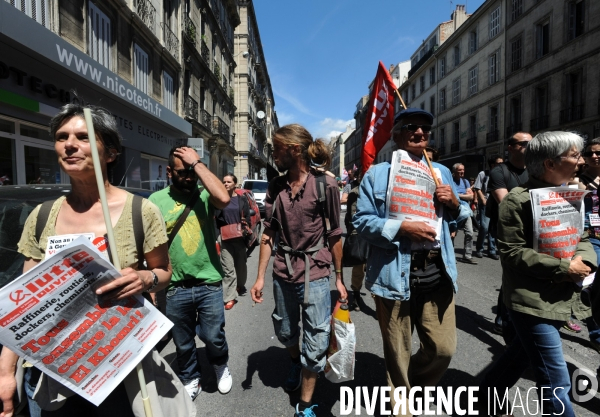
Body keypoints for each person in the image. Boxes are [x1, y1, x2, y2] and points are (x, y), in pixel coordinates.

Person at [0, 103, 196, 416]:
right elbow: (24, 311)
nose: (70, 144)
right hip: (57, 373)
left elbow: (163, 271)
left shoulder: (140, 211)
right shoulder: (41, 216)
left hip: (122, 370)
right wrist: (6, 373)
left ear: (111, 153)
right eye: (62, 136)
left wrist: (145, 279)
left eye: (83, 136)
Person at [353, 108, 468, 416]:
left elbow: (463, 214)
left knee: (443, 350)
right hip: (393, 278)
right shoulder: (377, 175)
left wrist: (455, 204)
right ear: (396, 135)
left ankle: (412, 385)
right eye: (412, 128)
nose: (420, 133)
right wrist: (401, 228)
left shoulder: (441, 172)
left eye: (426, 130)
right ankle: (401, 405)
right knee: (397, 353)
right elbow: (361, 222)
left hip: (437, 275)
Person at [479, 132, 596, 417]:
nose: (581, 161)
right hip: (529, 301)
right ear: (550, 163)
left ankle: (486, 395)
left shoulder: (571, 195)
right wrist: (564, 267)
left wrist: (587, 262)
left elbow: (582, 238)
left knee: (518, 357)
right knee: (555, 380)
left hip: (561, 298)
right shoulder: (517, 201)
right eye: (574, 155)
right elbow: (511, 252)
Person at [250, 124, 346, 417]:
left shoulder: (324, 185)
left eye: (277, 149)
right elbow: (269, 233)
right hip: (283, 270)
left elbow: (335, 235)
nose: (273, 155)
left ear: (293, 150)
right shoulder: (276, 187)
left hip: (315, 273)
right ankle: (294, 361)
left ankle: (305, 405)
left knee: (315, 339)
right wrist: (259, 277)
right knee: (285, 330)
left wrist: (339, 279)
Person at [149, 146, 232, 400]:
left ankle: (219, 365)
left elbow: (225, 198)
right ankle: (189, 375)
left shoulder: (206, 196)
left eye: (191, 171)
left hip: (208, 281)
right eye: (182, 172)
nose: (188, 177)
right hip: (173, 286)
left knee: (213, 336)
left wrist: (197, 163)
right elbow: (149, 246)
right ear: (168, 171)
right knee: (182, 340)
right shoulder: (155, 201)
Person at [488, 132, 532, 340]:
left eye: (532, 143)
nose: (529, 147)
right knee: (512, 274)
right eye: (524, 144)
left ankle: (512, 322)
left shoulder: (535, 170)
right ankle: (504, 322)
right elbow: (505, 204)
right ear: (511, 147)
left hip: (531, 231)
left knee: (521, 276)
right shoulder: (499, 171)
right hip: (506, 232)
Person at [575, 137, 600, 352]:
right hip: (589, 237)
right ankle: (596, 333)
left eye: (598, 152)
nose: (594, 156)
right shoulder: (579, 180)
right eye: (590, 153)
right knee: (589, 285)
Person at [215, 173, 249, 310]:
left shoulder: (241, 200)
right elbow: (215, 219)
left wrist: (245, 226)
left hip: (239, 237)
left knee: (241, 266)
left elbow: (247, 215)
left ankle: (240, 285)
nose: (226, 184)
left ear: (235, 184)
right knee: (228, 269)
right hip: (225, 237)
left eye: (229, 182)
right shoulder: (219, 200)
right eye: (224, 182)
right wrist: (216, 237)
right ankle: (230, 297)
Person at [473, 157, 504, 260]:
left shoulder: (501, 175)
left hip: (496, 204)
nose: (501, 165)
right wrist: (483, 200)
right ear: (492, 164)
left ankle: (492, 250)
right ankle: (479, 249)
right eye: (498, 163)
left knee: (493, 228)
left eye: (502, 163)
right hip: (486, 203)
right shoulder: (483, 174)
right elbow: (477, 188)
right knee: (485, 227)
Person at [343, 169, 365, 311]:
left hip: (377, 235)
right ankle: (356, 295)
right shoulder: (355, 192)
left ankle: (380, 301)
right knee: (359, 266)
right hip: (361, 234)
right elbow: (352, 216)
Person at [452, 163, 477, 264]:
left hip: (465, 210)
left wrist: (457, 195)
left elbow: (471, 197)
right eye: (460, 170)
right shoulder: (450, 180)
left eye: (463, 170)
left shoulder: (465, 181)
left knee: (470, 232)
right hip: (453, 209)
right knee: (452, 234)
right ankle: (451, 256)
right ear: (454, 171)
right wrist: (463, 195)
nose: (462, 172)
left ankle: (467, 255)